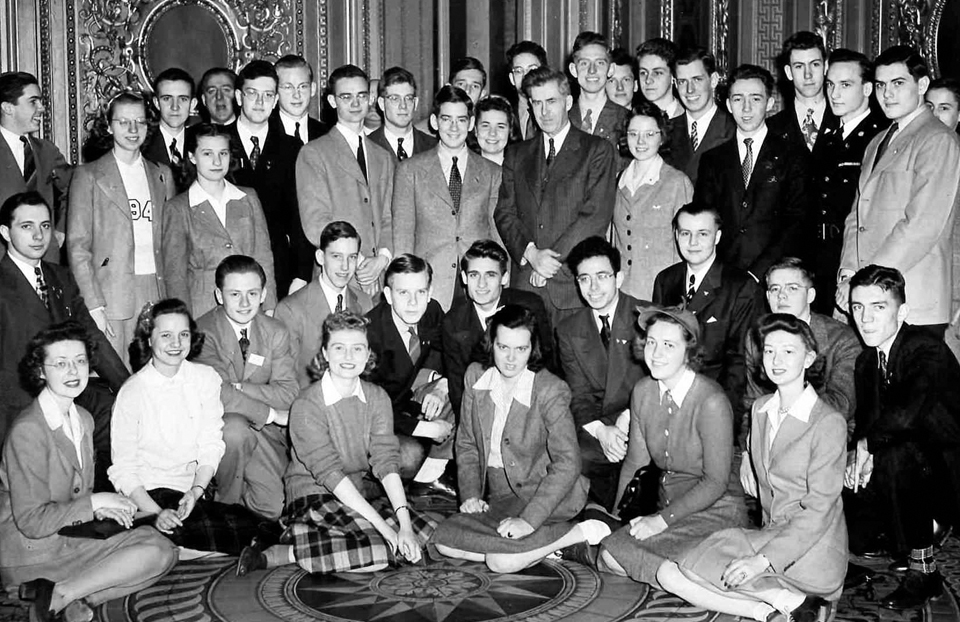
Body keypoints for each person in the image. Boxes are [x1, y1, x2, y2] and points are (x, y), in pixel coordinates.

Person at [659, 312, 847, 622]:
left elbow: (819, 512)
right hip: (771, 534)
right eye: (770, 350)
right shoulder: (761, 410)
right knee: (670, 572)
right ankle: (777, 607)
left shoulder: (828, 423)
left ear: (809, 358)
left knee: (693, 569)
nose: (777, 359)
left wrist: (761, 561)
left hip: (811, 548)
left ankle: (794, 598)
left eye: (789, 351)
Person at [236, 311, 436, 576]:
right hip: (313, 494)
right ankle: (284, 551)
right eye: (339, 348)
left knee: (428, 535)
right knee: (383, 549)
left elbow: (387, 463)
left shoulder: (377, 398)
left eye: (357, 349)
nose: (349, 357)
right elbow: (330, 475)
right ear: (325, 353)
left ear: (368, 355)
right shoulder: (307, 404)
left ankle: (311, 545)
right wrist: (386, 529)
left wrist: (405, 525)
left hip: (356, 493)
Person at [0, 322, 177, 622]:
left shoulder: (83, 418)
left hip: (66, 534)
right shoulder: (28, 430)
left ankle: (71, 597)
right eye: (61, 364)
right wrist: (96, 503)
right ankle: (62, 595)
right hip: (27, 550)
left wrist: (101, 511)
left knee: (164, 549)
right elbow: (31, 522)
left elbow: (76, 494)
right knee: (157, 552)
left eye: (80, 361)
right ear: (41, 372)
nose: (73, 372)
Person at [433, 305, 606, 573]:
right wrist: (470, 495)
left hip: (547, 494)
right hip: (502, 496)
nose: (511, 359)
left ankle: (578, 532)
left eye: (521, 349)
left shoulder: (550, 389)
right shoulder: (475, 376)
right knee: (445, 542)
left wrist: (528, 520)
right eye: (503, 348)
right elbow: (467, 443)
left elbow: (568, 462)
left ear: (532, 348)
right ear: (491, 344)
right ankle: (552, 546)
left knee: (501, 562)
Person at [592, 306, 747, 586]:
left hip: (716, 508)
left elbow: (715, 482)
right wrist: (617, 515)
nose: (656, 353)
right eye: (651, 342)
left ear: (688, 352)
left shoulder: (711, 401)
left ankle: (696, 571)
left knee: (615, 556)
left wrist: (661, 521)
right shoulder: (643, 391)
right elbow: (635, 463)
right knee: (608, 553)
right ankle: (690, 572)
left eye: (668, 345)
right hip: (668, 506)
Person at [108, 298, 268, 555]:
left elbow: (210, 444)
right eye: (166, 335)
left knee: (255, 525)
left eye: (183, 334)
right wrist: (156, 513)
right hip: (148, 495)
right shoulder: (132, 392)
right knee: (201, 533)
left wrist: (196, 491)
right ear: (149, 339)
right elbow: (124, 470)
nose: (175, 344)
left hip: (192, 493)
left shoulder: (205, 379)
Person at [843, 265, 960, 609]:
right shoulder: (867, 361)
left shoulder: (926, 349)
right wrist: (855, 458)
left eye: (878, 307)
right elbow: (868, 423)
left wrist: (867, 447)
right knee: (845, 474)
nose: (865, 319)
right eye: (857, 307)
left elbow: (909, 415)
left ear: (902, 312)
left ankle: (924, 569)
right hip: (907, 466)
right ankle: (837, 553)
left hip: (949, 469)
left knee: (897, 455)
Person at [0, 192, 128, 487]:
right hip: (19, 401)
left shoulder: (60, 277)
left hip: (69, 393)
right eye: (26, 226)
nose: (38, 235)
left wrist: (128, 386)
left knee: (114, 409)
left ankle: (99, 495)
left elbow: (91, 334)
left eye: (45, 226)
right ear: (5, 232)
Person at [837, 46, 960, 337]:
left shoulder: (938, 140)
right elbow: (858, 215)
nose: (887, 94)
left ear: (922, 85)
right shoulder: (878, 140)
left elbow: (921, 225)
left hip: (913, 297)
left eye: (898, 83)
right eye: (881, 85)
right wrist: (847, 272)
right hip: (871, 296)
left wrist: (865, 282)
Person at [494, 67, 618, 327]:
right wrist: (531, 254)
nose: (544, 111)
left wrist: (550, 261)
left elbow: (595, 216)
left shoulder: (596, 150)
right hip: (526, 284)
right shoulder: (517, 154)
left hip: (572, 284)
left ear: (568, 102)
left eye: (551, 102)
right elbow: (505, 213)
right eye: (537, 103)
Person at [67, 92, 175, 367]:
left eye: (139, 122)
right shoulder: (89, 175)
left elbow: (172, 241)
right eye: (124, 122)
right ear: (109, 126)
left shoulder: (162, 174)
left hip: (155, 285)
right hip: (112, 291)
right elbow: (78, 246)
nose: (132, 129)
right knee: (118, 374)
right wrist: (93, 304)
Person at [196, 256, 298, 521]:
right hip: (222, 428)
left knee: (272, 509)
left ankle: (238, 508)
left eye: (252, 293)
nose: (244, 303)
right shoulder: (203, 331)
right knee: (235, 429)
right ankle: (222, 507)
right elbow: (218, 395)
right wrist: (270, 413)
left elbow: (288, 393)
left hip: (263, 432)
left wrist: (239, 387)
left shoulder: (275, 331)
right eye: (234, 294)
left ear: (264, 294)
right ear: (219, 295)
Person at [694, 64, 810, 280]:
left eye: (755, 99)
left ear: (770, 103)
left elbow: (797, 221)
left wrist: (759, 272)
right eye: (738, 99)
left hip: (775, 276)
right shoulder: (713, 159)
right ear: (728, 104)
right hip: (723, 276)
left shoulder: (792, 155)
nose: (746, 108)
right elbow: (705, 219)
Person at [557, 237, 648, 510]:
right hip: (600, 422)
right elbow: (579, 395)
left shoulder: (646, 315)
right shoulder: (568, 329)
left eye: (602, 276)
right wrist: (602, 431)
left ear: (618, 278)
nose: (593, 288)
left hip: (643, 415)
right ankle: (601, 513)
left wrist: (628, 417)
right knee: (575, 455)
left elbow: (659, 381)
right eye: (584, 279)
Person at [393, 85, 503, 309]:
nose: (454, 127)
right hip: (430, 282)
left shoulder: (492, 172)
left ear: (471, 124)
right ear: (434, 122)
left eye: (461, 120)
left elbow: (496, 230)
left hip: (477, 281)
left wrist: (501, 274)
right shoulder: (409, 170)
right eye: (446, 119)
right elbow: (403, 232)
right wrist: (406, 284)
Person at [653, 203, 760, 427]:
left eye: (703, 234)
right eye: (685, 233)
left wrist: (723, 415)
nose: (693, 243)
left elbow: (738, 361)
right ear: (676, 235)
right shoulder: (665, 280)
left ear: (718, 236)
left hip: (713, 400)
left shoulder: (740, 285)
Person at [297, 64, 395, 296]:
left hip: (380, 279)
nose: (355, 103)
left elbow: (390, 217)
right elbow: (316, 222)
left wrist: (382, 258)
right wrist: (359, 262)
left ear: (370, 98)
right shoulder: (314, 153)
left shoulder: (382, 156)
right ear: (332, 101)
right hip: (338, 275)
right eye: (346, 96)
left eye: (361, 96)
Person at [162, 122, 277, 318]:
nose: (217, 161)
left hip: (248, 306)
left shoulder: (247, 197)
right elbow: (176, 276)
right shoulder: (178, 208)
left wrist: (269, 305)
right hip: (203, 309)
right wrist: (183, 320)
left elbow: (263, 256)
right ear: (192, 156)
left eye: (223, 153)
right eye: (207, 154)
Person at [366, 255, 456, 494]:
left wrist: (441, 386)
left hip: (409, 400)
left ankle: (432, 476)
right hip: (376, 419)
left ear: (430, 292)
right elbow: (370, 407)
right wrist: (424, 429)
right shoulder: (370, 334)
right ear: (387, 294)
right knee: (408, 457)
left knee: (465, 388)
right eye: (403, 293)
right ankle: (381, 485)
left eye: (420, 292)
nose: (413, 302)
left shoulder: (432, 311)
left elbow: (453, 352)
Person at [744, 257, 860, 440]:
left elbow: (840, 405)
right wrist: (747, 452)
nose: (782, 296)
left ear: (811, 296)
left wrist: (779, 416)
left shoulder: (842, 339)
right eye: (775, 289)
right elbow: (751, 403)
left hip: (824, 436)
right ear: (767, 297)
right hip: (768, 435)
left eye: (792, 288)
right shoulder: (755, 337)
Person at [808, 49, 888, 315]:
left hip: (855, 259)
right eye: (830, 85)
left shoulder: (878, 139)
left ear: (867, 89)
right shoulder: (829, 138)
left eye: (845, 85)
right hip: (820, 257)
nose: (834, 94)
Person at [225, 60, 311, 299]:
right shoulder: (218, 142)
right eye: (252, 94)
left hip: (278, 269)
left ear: (275, 101)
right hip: (228, 266)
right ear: (239, 97)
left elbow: (299, 215)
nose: (260, 102)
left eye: (268, 95)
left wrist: (302, 274)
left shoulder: (291, 148)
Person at [442, 239, 552, 417]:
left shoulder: (530, 306)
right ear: (464, 278)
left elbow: (546, 365)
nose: (481, 284)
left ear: (505, 278)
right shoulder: (453, 322)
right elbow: (458, 388)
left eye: (491, 275)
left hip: (529, 407)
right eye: (474, 275)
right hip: (482, 412)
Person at [275, 221, 374, 388]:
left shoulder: (364, 302)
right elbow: (286, 381)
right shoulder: (291, 310)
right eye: (336, 256)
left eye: (352, 257)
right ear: (320, 257)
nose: (345, 266)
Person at [614, 100, 693, 300]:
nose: (640, 142)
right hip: (623, 291)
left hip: (660, 292)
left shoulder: (676, 182)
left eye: (649, 134)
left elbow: (685, 246)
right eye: (633, 134)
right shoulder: (618, 181)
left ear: (662, 137)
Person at [0, 71, 72, 263]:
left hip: (46, 261)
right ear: (8, 108)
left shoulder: (47, 151)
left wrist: (61, 229)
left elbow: (74, 189)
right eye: (33, 101)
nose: (42, 108)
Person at [664, 47, 736, 185]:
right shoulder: (666, 129)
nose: (689, 89)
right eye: (682, 82)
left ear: (713, 80)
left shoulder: (733, 129)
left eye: (697, 80)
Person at [768, 31, 838, 154]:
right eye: (799, 66)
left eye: (815, 64)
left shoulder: (843, 121)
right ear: (789, 72)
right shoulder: (771, 128)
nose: (808, 75)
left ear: (826, 67)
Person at [568, 32, 630, 148]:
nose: (592, 70)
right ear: (573, 70)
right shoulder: (563, 117)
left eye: (600, 63)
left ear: (611, 69)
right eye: (584, 63)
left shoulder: (625, 120)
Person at [143, 68, 196, 193]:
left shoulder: (203, 143)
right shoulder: (142, 145)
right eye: (167, 99)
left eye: (183, 99)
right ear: (156, 103)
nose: (175, 107)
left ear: (192, 104)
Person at [368, 67, 438, 160]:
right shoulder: (367, 146)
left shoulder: (434, 147)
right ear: (381, 104)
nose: (403, 106)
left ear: (415, 103)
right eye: (395, 99)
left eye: (408, 98)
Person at [270, 54, 328, 144]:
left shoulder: (327, 135)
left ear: (312, 89)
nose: (296, 95)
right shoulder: (265, 133)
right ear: (275, 91)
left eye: (303, 86)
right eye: (288, 87)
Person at [506, 40, 547, 140]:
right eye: (519, 71)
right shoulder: (505, 114)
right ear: (512, 78)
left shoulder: (556, 111)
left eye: (532, 69)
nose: (526, 76)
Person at [636, 38, 684, 119]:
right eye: (643, 73)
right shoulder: (633, 119)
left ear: (673, 75)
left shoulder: (689, 120)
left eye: (657, 73)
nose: (648, 80)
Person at [473, 96, 519, 166]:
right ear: (476, 130)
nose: (492, 133)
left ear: (510, 130)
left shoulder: (521, 171)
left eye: (500, 127)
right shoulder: (462, 169)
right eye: (485, 126)